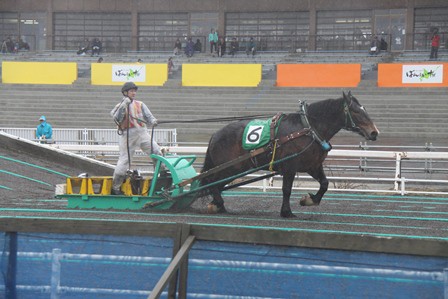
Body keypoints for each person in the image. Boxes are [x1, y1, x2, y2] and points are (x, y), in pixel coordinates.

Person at [110, 82, 163, 195]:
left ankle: (162, 178)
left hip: (142, 133)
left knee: (157, 152)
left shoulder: (140, 104)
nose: (134, 93)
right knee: (125, 160)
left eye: (134, 91)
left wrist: (153, 121)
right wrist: (124, 105)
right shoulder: (119, 106)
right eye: (131, 91)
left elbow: (149, 117)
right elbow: (116, 119)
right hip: (127, 135)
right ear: (125, 93)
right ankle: (115, 187)